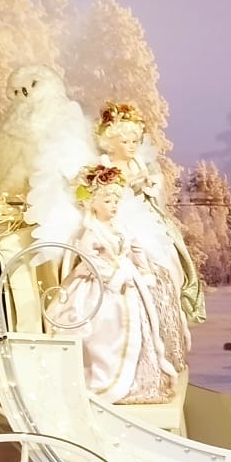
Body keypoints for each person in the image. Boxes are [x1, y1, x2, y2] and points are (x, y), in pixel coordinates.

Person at [44, 164, 186, 404]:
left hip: (127, 280)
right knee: (104, 326)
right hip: (98, 286)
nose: (114, 206)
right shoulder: (92, 232)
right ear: (93, 203)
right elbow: (89, 260)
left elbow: (136, 247)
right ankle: (104, 376)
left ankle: (137, 374)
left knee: (140, 326)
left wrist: (144, 270)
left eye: (116, 201)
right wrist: (112, 277)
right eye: (108, 201)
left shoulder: (119, 226)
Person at [93, 102, 205, 326]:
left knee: (168, 255)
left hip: (145, 215)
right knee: (133, 253)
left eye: (135, 141)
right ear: (110, 142)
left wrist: (150, 184)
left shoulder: (139, 163)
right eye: (125, 142)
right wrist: (128, 186)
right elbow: (104, 195)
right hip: (120, 216)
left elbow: (152, 191)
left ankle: (163, 307)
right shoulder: (106, 167)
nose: (131, 147)